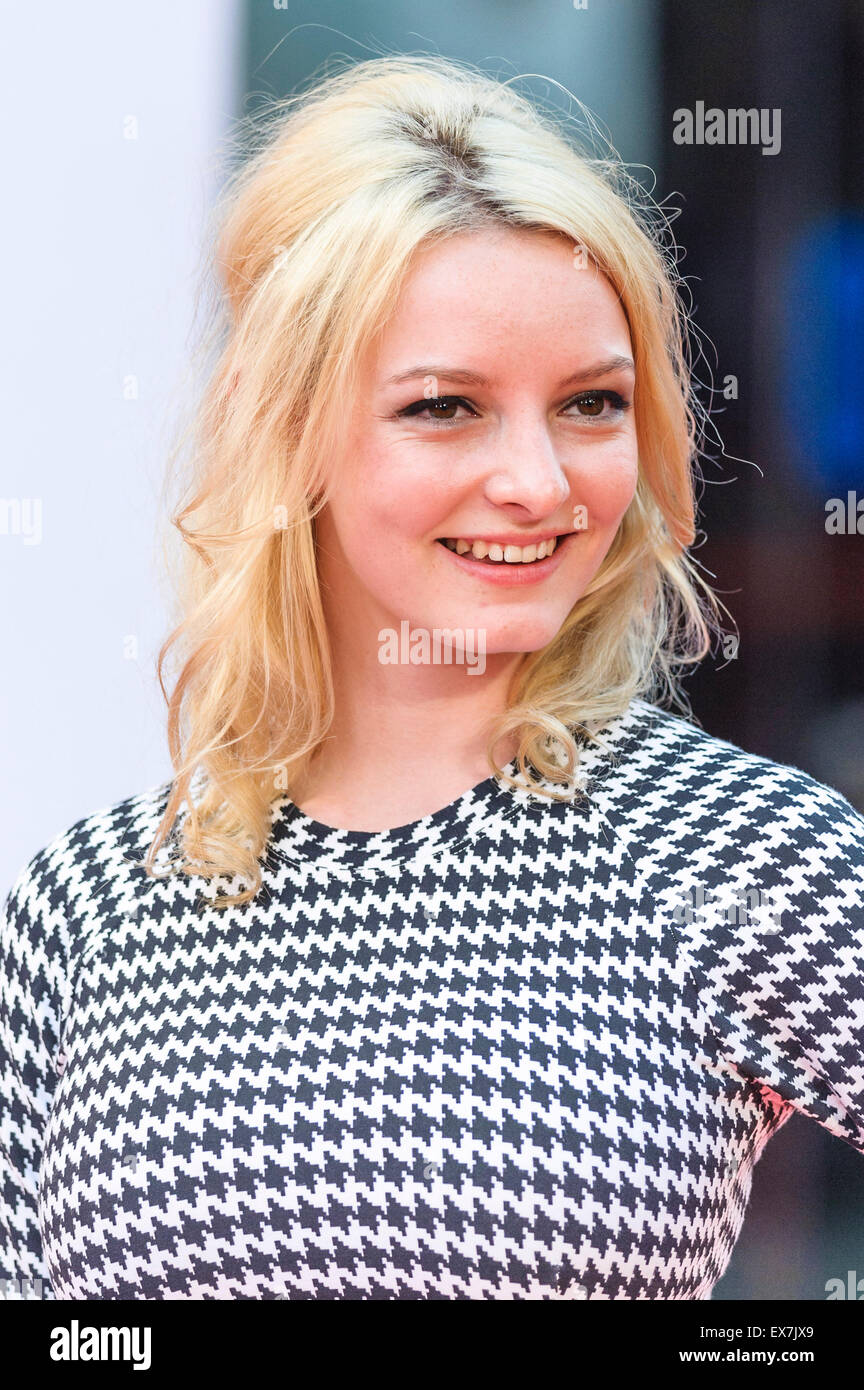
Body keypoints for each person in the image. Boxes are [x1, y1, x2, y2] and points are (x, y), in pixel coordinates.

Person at [2, 54, 863, 1302]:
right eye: (447, 407)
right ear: (290, 433)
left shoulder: (733, 853)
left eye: (590, 403)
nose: (540, 480)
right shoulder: (82, 908)